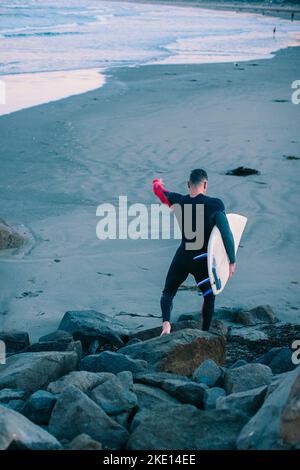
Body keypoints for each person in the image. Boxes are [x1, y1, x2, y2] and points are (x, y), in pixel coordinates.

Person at [152, 169, 236, 335]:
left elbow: (160, 192)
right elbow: (226, 234)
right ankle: (204, 332)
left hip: (182, 255)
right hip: (201, 259)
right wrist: (231, 261)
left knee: (168, 292)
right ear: (205, 184)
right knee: (209, 295)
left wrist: (157, 183)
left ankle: (166, 325)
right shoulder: (215, 204)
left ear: (188, 184)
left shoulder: (179, 201)